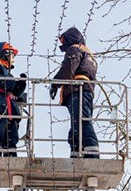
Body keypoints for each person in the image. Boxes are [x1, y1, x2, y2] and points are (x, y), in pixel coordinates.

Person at [50, 27, 99, 158]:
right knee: (78, 122)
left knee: (81, 121)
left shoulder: (75, 49)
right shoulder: (89, 55)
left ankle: (91, 151)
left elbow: (68, 69)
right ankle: (76, 150)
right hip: (86, 90)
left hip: (78, 89)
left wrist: (55, 84)